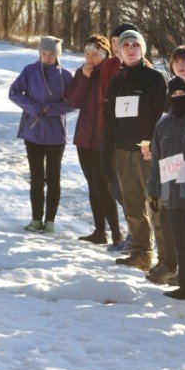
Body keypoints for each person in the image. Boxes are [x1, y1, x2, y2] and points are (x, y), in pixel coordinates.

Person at [101, 29, 167, 272]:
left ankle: (166, 260)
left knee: (156, 206)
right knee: (132, 205)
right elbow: (109, 122)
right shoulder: (117, 82)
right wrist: (105, 154)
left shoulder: (155, 79)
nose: (130, 49)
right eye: (125, 46)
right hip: (122, 151)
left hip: (148, 153)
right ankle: (141, 253)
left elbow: (164, 119)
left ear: (142, 49)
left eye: (135, 45)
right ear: (118, 52)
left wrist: (155, 146)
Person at [147, 76, 185, 300]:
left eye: (183, 94)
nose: (178, 98)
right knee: (178, 240)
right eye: (174, 95)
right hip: (170, 191)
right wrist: (153, 190)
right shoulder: (163, 124)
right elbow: (155, 159)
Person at [8, 36, 74, 235]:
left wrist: (52, 109)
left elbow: (74, 102)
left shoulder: (66, 76)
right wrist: (34, 108)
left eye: (51, 54)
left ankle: (50, 221)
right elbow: (14, 92)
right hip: (33, 132)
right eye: (44, 53)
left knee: (53, 178)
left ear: (57, 55)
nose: (47, 57)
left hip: (56, 135)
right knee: (36, 177)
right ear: (39, 53)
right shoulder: (30, 71)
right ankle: (36, 218)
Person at [66, 34, 122, 245]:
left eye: (96, 53)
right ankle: (100, 232)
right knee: (92, 184)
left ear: (105, 53)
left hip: (104, 139)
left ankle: (116, 234)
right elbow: (73, 101)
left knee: (103, 185)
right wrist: (83, 77)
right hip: (84, 138)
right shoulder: (82, 73)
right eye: (87, 53)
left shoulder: (112, 71)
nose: (91, 57)